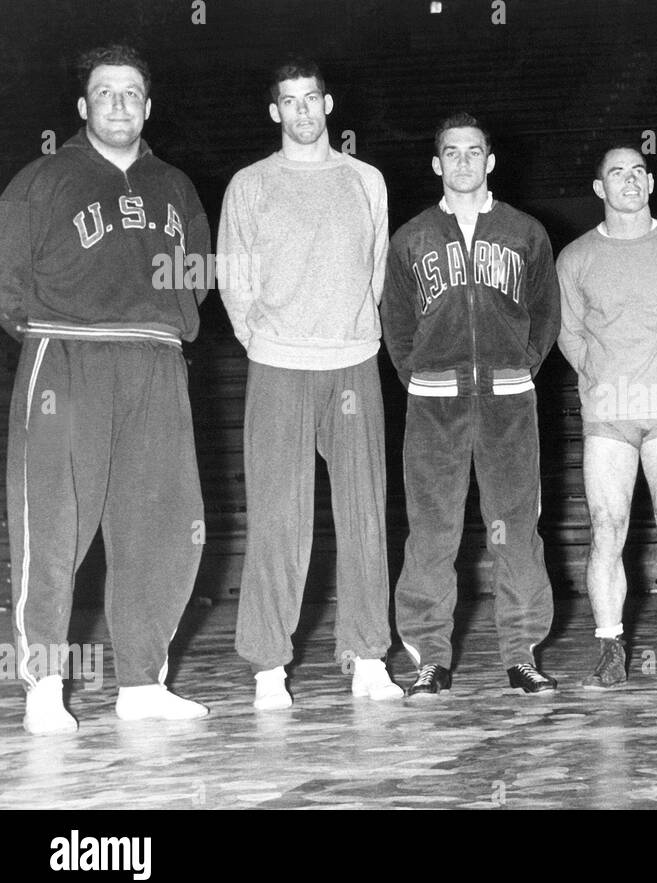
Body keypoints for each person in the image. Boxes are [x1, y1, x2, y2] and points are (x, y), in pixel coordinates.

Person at [0, 45, 209, 732]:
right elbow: (6, 278)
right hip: (68, 355)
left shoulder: (175, 184)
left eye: (131, 93)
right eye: (105, 92)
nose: (119, 103)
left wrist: (167, 331)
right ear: (84, 107)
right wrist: (48, 331)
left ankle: (142, 683)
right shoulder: (43, 179)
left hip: (155, 360)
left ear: (147, 107)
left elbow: (197, 275)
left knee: (161, 526)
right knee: (54, 526)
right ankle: (44, 686)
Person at [217, 58, 401, 710]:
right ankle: (269, 667)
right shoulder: (250, 184)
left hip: (352, 360)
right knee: (277, 521)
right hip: (279, 366)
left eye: (310, 99)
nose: (301, 111)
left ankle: (370, 656)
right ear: (276, 112)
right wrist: (271, 342)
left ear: (328, 104)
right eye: (288, 101)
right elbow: (234, 282)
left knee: (364, 516)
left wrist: (349, 331)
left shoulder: (366, 180)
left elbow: (376, 271)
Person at [382, 113, 562, 695]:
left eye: (473, 152)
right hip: (435, 402)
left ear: (490, 161)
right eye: (451, 153)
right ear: (437, 164)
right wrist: (426, 376)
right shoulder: (410, 238)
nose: (463, 162)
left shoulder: (526, 232)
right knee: (432, 531)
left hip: (509, 399)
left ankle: (521, 652)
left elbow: (545, 314)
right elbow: (397, 327)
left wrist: (513, 370)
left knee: (515, 528)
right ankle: (430, 657)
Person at [556, 145, 657, 689]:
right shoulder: (576, 257)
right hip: (609, 414)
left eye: (639, 172)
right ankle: (609, 648)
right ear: (600, 188)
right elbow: (569, 334)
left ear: (651, 183)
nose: (630, 181)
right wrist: (607, 380)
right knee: (607, 530)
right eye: (617, 174)